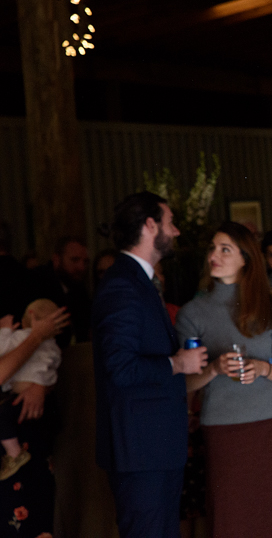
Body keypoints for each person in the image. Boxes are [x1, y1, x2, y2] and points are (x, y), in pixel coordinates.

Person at [176, 222, 272, 538]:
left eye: (225, 249)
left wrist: (263, 368)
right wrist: (213, 370)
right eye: (212, 248)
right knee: (233, 517)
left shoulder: (271, 307)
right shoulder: (192, 313)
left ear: (246, 258)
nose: (214, 255)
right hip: (223, 429)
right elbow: (182, 383)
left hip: (269, 427)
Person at [92, 191, 208, 538]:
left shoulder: (138, 281)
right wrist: (177, 364)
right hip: (140, 452)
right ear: (149, 225)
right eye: (171, 223)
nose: (176, 232)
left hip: (153, 449)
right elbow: (121, 367)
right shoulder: (123, 285)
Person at [0, 299, 68, 537]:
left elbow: (49, 367)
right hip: (9, 425)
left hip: (30, 427)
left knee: (37, 503)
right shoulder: (30, 338)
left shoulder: (45, 344)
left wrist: (41, 386)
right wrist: (36, 337)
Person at [0, 299, 62, 480]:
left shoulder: (36, 341)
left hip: (26, 412)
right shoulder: (45, 343)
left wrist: (40, 386)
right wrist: (37, 336)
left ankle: (14, 454)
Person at [26, 234, 91, 347]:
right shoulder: (38, 282)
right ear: (56, 259)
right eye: (74, 260)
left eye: (85, 262)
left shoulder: (79, 289)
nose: (81, 267)